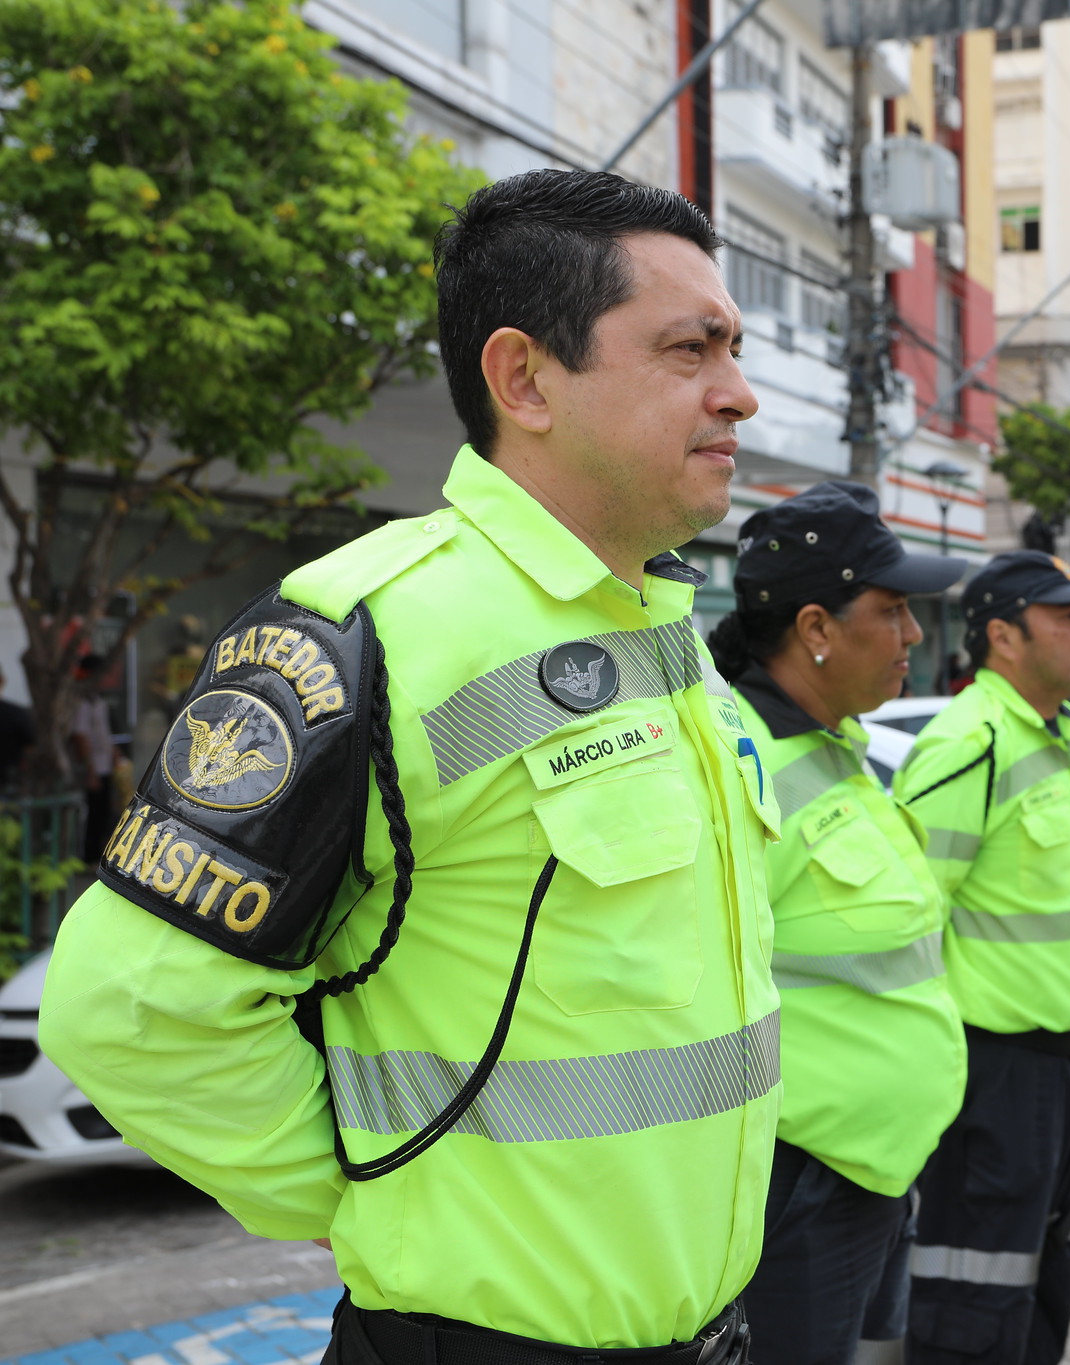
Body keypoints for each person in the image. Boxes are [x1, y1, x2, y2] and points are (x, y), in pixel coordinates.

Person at [41, 169, 778, 1362]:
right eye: (689, 349)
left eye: (732, 349)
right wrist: (377, 1204)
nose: (737, 392)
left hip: (711, 1329)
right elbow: (129, 1009)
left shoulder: (667, 633)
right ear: (523, 380)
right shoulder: (368, 632)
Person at [708, 481, 969, 1365]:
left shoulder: (833, 746)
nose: (915, 635)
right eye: (892, 611)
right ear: (816, 627)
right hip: (801, 1184)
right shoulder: (735, 763)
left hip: (873, 1173)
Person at [895, 550, 1070, 1365]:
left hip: (1061, 1071)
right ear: (1003, 635)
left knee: (1044, 1278)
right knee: (972, 1299)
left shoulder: (1060, 734)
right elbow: (905, 919)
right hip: (992, 1077)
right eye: (1066, 615)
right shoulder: (970, 742)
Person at [70, 653, 117, 853]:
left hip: (104, 765)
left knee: (103, 812)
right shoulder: (81, 702)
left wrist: (115, 753)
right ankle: (88, 855)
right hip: (92, 768)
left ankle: (97, 852)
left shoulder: (98, 700)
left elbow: (103, 733)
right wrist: (90, 771)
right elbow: (80, 736)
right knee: (92, 813)